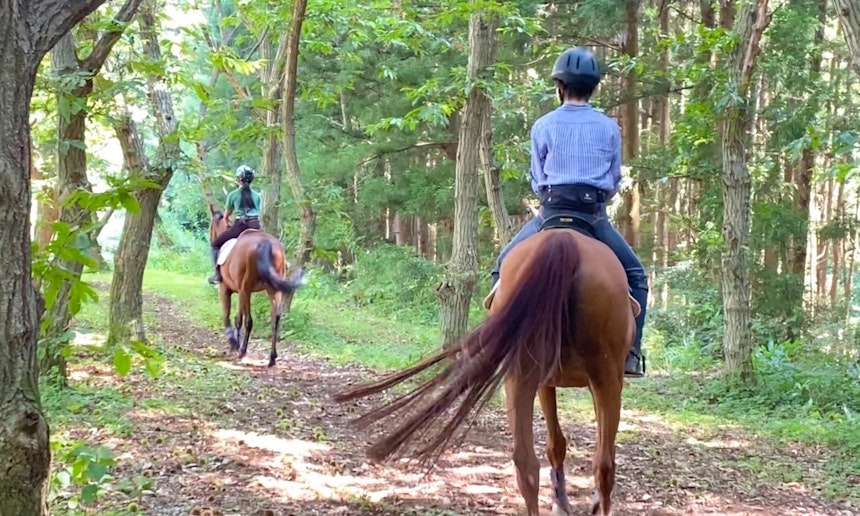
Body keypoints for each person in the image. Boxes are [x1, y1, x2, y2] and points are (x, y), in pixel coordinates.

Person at [485, 46, 648, 377]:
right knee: (636, 277)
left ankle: (498, 346)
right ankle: (632, 353)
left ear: (559, 85)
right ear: (593, 87)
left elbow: (537, 177)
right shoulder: (609, 127)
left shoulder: (543, 125)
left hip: (550, 211)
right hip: (592, 215)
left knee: (502, 267)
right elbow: (614, 179)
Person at [207, 165, 263, 284]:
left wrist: (227, 223)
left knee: (215, 245)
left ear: (238, 179)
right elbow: (258, 212)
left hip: (240, 226)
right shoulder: (257, 196)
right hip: (256, 226)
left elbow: (226, 215)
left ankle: (217, 275)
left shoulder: (233, 195)